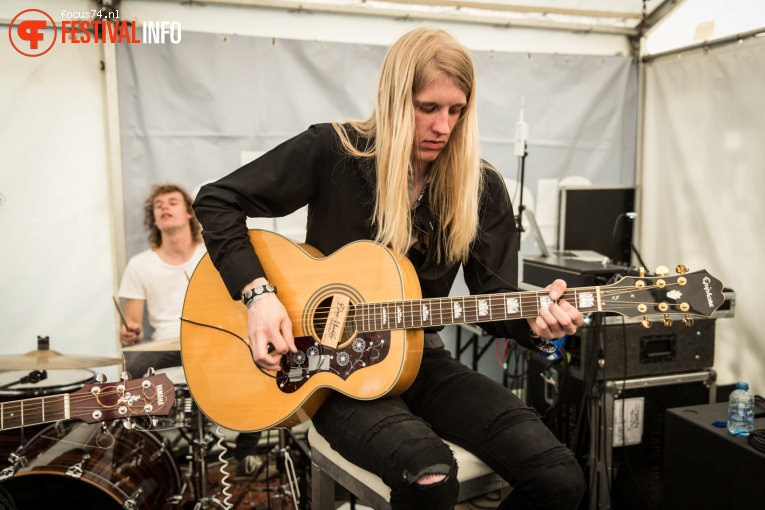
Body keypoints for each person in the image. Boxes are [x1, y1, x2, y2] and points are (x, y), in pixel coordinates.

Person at [194, 27, 586, 509]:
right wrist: (258, 296)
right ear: (391, 98)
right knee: (429, 476)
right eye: (428, 108)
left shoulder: (480, 188)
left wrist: (541, 326)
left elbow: (494, 299)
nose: (444, 126)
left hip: (422, 358)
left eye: (456, 110)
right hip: (329, 370)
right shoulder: (332, 150)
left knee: (559, 477)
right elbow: (217, 200)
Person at [118, 183, 263, 478]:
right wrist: (130, 332)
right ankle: (151, 455)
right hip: (166, 344)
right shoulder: (139, 265)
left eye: (172, 202)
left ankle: (246, 453)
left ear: (188, 213)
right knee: (132, 369)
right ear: (154, 219)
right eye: (158, 206)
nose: (164, 207)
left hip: (214, 336)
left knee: (260, 360)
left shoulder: (212, 253)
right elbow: (131, 327)